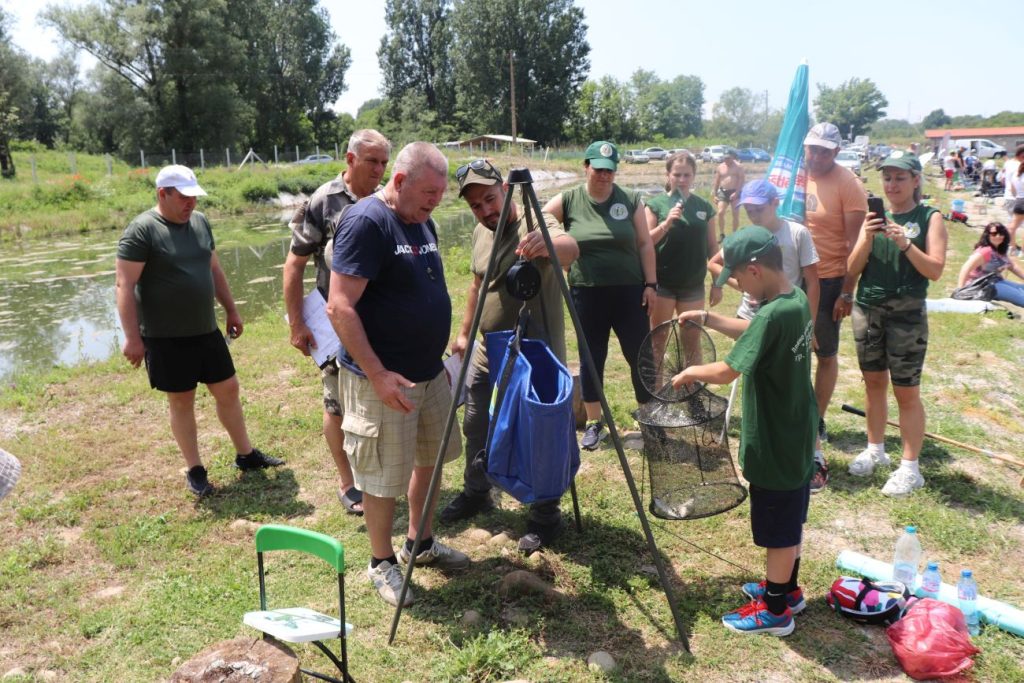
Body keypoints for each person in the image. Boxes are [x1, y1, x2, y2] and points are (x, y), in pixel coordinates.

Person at [327, 142, 468, 607]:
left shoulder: (419, 218)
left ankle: (420, 543)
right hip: (382, 380)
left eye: (441, 193)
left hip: (428, 374)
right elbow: (340, 306)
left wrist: (437, 358)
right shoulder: (368, 221)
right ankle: (381, 562)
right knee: (383, 474)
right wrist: (378, 374)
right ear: (401, 181)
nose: (436, 201)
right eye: (429, 191)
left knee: (429, 458)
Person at [671, 226, 816, 636]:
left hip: (776, 438)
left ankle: (774, 611)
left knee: (778, 528)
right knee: (790, 518)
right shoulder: (794, 299)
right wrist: (708, 318)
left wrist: (691, 372)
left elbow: (727, 370)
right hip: (797, 431)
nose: (736, 286)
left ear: (755, 270)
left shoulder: (771, 313)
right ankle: (786, 589)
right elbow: (754, 334)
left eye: (736, 278)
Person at [115, 165, 283, 497]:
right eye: (184, 197)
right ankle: (195, 468)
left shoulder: (200, 222)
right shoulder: (142, 230)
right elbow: (124, 284)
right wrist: (132, 337)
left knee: (229, 389)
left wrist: (232, 309)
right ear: (163, 194)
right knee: (181, 400)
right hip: (165, 337)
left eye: (194, 197)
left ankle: (246, 455)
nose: (191, 203)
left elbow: (214, 268)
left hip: (205, 330)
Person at [439, 160, 579, 553]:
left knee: (539, 431)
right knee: (475, 421)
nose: (486, 210)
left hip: (534, 351)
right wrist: (465, 333)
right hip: (489, 346)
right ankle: (476, 490)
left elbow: (571, 249)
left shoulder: (536, 220)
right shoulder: (481, 233)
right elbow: (477, 282)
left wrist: (547, 246)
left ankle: (545, 514)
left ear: (504, 189)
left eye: (489, 198)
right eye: (476, 206)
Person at [283, 129, 391, 515]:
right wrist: (297, 324)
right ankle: (347, 483)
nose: (379, 169)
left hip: (381, 320)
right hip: (335, 321)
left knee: (379, 395)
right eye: (371, 161)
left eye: (384, 162)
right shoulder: (324, 200)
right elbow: (294, 263)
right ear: (350, 159)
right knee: (336, 404)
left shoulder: (388, 198)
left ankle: (380, 474)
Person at [543, 141, 658, 450]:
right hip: (587, 291)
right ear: (586, 167)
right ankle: (595, 422)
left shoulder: (631, 199)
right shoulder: (569, 199)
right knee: (592, 356)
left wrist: (651, 284)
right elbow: (540, 215)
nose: (604, 175)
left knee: (640, 354)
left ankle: (648, 418)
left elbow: (645, 244)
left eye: (609, 170)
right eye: (598, 169)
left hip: (630, 291)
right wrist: (558, 239)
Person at [846, 152, 948, 497]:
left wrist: (905, 243)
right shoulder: (873, 218)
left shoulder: (929, 217)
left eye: (900, 178)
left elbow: (934, 270)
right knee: (873, 383)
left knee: (907, 391)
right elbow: (851, 269)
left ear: (916, 180)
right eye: (887, 178)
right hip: (869, 309)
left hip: (907, 314)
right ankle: (875, 450)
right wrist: (867, 238)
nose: (892, 185)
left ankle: (910, 468)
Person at [802, 122, 868, 489]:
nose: (817, 156)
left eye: (825, 151)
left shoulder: (848, 185)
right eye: (813, 149)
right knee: (790, 348)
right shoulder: (798, 177)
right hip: (794, 275)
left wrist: (847, 290)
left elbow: (857, 244)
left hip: (829, 280)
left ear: (836, 153)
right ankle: (794, 413)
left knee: (823, 352)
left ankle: (817, 417)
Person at [644, 151, 718, 327]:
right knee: (658, 338)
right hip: (662, 284)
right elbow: (645, 243)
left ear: (693, 176)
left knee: (692, 339)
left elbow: (712, 247)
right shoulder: (656, 204)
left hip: (693, 285)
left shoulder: (704, 206)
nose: (682, 179)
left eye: (687, 175)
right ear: (668, 175)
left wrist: (717, 283)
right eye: (677, 175)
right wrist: (667, 223)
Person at [956, 222, 1024, 306]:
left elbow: (1012, 266)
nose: (998, 236)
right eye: (994, 234)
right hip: (982, 285)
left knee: (1021, 288)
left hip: (996, 281)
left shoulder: (999, 250)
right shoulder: (986, 251)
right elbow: (966, 267)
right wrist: (960, 290)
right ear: (987, 235)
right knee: (1020, 296)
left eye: (1001, 233)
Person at [712, 149, 745, 240]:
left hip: (735, 191)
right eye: (725, 158)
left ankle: (734, 234)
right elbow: (717, 181)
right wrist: (715, 194)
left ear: (733, 157)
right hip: (723, 192)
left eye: (728, 158)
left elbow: (742, 181)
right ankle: (722, 234)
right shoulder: (720, 167)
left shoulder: (739, 167)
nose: (726, 160)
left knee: (735, 213)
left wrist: (737, 193)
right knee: (720, 212)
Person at [1006, 148, 1024, 255]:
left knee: (1012, 226)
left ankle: (1012, 248)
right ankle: (1023, 251)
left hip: (1018, 200)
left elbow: (1013, 190)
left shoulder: (1016, 175)